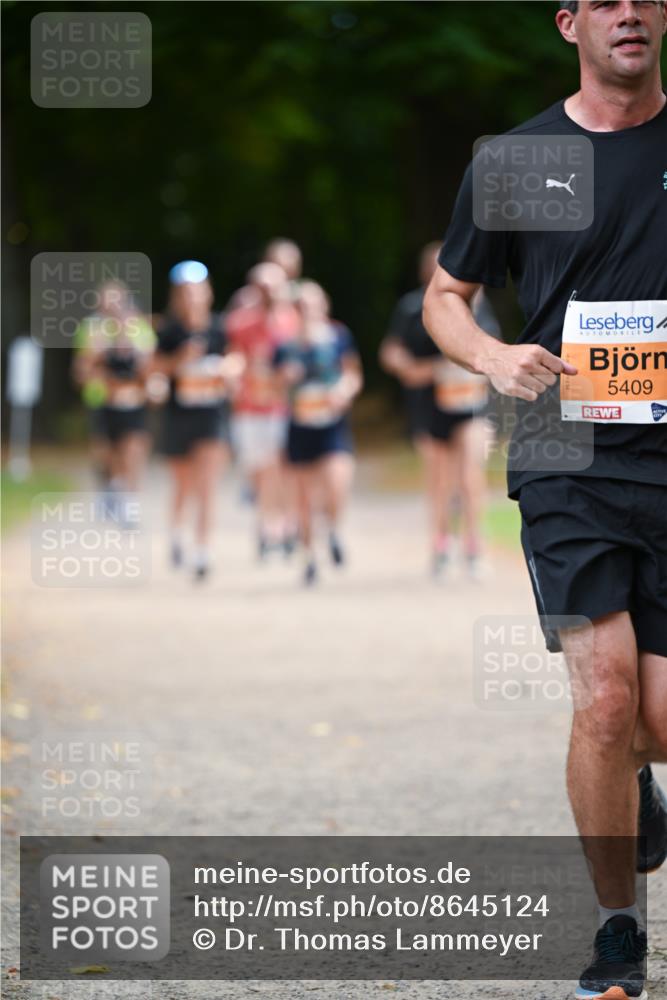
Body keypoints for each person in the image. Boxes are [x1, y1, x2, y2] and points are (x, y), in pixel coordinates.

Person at [423, 3, 667, 997]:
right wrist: (488, 353)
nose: (629, 13)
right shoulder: (516, 159)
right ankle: (617, 934)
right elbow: (448, 293)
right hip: (565, 447)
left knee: (645, 720)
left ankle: (628, 775)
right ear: (570, 23)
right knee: (603, 701)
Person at [381, 243, 500, 580]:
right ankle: (441, 543)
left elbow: (495, 348)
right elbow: (391, 352)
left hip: (473, 404)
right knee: (440, 478)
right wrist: (414, 369)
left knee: (469, 473)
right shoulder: (411, 307)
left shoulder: (477, 304)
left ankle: (475, 546)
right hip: (430, 405)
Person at [154, 261, 244, 581]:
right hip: (180, 416)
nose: (191, 298)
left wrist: (229, 369)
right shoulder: (168, 330)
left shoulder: (220, 327)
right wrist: (180, 360)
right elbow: (154, 369)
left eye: (197, 292)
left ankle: (202, 549)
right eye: (185, 293)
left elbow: (236, 357)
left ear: (207, 293)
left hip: (212, 415)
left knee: (207, 485)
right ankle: (177, 533)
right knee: (183, 484)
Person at [274, 281, 363, 586]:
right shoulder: (285, 347)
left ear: (324, 306)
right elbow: (271, 385)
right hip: (300, 429)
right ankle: (309, 557)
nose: (307, 311)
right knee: (304, 497)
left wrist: (343, 391)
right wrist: (284, 379)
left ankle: (334, 529)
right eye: (300, 306)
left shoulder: (338, 337)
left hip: (332, 426)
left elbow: (353, 374)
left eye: (312, 305)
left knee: (338, 483)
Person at [226, 262, 300, 557]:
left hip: (282, 408)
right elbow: (234, 356)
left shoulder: (292, 321)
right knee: (259, 470)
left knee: (280, 466)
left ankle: (283, 523)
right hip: (249, 407)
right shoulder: (240, 322)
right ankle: (266, 523)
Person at [72, 280, 155, 512]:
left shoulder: (139, 327)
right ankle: (110, 488)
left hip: (133, 400)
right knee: (105, 452)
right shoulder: (91, 329)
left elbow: (149, 362)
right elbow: (82, 368)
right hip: (101, 399)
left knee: (133, 449)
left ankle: (129, 501)